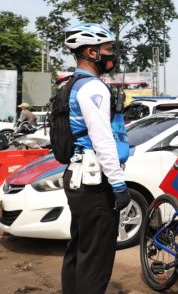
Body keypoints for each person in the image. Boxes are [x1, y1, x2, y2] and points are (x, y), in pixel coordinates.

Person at [60, 23, 130, 294]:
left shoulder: (71, 85)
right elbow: (103, 141)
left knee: (79, 249)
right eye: (107, 49)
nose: (111, 55)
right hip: (93, 180)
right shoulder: (94, 88)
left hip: (76, 176)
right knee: (96, 258)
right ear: (91, 52)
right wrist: (119, 186)